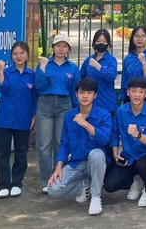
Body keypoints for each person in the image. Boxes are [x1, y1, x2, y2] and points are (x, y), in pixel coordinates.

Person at [47, 78, 112, 216]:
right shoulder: (69, 116)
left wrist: (85, 124)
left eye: (89, 93)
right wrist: (58, 166)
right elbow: (64, 144)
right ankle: (83, 186)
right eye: (82, 92)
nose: (85, 96)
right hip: (76, 163)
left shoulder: (104, 115)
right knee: (53, 189)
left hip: (96, 163)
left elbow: (105, 139)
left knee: (96, 154)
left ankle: (96, 196)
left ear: (95, 95)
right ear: (76, 94)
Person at [35, 33, 81, 193]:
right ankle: (45, 180)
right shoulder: (44, 64)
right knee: (44, 144)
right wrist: (42, 68)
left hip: (64, 104)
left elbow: (75, 91)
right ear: (53, 47)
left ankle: (58, 177)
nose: (61, 49)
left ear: (68, 49)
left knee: (61, 143)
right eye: (58, 46)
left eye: (64, 46)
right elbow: (39, 86)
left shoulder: (72, 68)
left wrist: (77, 112)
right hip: (45, 103)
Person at [104, 77, 146, 208]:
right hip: (128, 155)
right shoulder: (121, 111)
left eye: (141, 92)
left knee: (143, 165)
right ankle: (137, 179)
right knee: (109, 186)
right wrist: (116, 154)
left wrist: (138, 135)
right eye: (134, 91)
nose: (137, 95)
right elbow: (114, 134)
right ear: (128, 92)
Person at [0, 42, 37, 199]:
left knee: (21, 152)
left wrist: (34, 116)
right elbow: (2, 87)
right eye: (15, 54)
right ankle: (4, 184)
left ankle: (17, 183)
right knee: (2, 153)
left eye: (22, 53)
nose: (19, 56)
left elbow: (34, 98)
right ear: (11, 56)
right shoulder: (6, 72)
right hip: (4, 119)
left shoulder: (32, 75)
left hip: (23, 119)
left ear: (27, 55)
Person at [80, 29, 118, 117]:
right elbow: (81, 77)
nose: (101, 43)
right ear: (94, 43)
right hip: (91, 104)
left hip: (107, 103)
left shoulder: (112, 60)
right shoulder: (88, 60)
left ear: (108, 44)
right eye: (98, 41)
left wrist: (98, 67)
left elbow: (112, 76)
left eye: (104, 41)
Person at [120, 26, 146, 107]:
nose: (140, 39)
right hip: (130, 96)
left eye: (143, 36)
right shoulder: (128, 58)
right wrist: (122, 98)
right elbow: (124, 81)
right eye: (137, 36)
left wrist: (144, 62)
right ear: (132, 39)